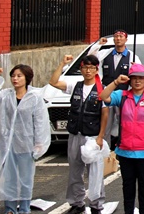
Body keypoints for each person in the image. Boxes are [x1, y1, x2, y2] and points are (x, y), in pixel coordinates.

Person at [0, 65, 51, 214]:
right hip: (7, 145)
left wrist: (39, 144)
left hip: (26, 145)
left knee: (25, 180)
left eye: (19, 76)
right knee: (9, 179)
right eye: (13, 76)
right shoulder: (6, 95)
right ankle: (10, 208)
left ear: (27, 78)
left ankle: (24, 208)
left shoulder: (34, 97)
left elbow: (40, 122)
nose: (15, 79)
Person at [99, 63, 144, 214]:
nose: (137, 81)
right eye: (134, 78)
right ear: (129, 80)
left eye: (141, 78)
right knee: (127, 185)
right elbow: (103, 96)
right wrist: (116, 82)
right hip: (125, 151)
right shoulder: (121, 96)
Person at [48, 55, 109, 214]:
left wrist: (101, 136)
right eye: (85, 67)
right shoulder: (76, 85)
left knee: (95, 173)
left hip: (92, 136)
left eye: (91, 68)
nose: (88, 71)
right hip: (75, 134)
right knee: (75, 171)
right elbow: (53, 82)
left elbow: (105, 114)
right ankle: (77, 203)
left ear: (97, 70)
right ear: (81, 69)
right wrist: (62, 63)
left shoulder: (102, 88)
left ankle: (96, 205)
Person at [88, 30, 141, 146]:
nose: (118, 39)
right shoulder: (106, 53)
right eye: (116, 37)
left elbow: (140, 75)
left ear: (126, 39)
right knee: (106, 122)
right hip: (107, 93)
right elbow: (91, 57)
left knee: (124, 122)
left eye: (121, 36)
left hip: (124, 94)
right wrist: (98, 44)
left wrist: (135, 68)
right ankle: (105, 148)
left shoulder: (133, 56)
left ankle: (124, 145)